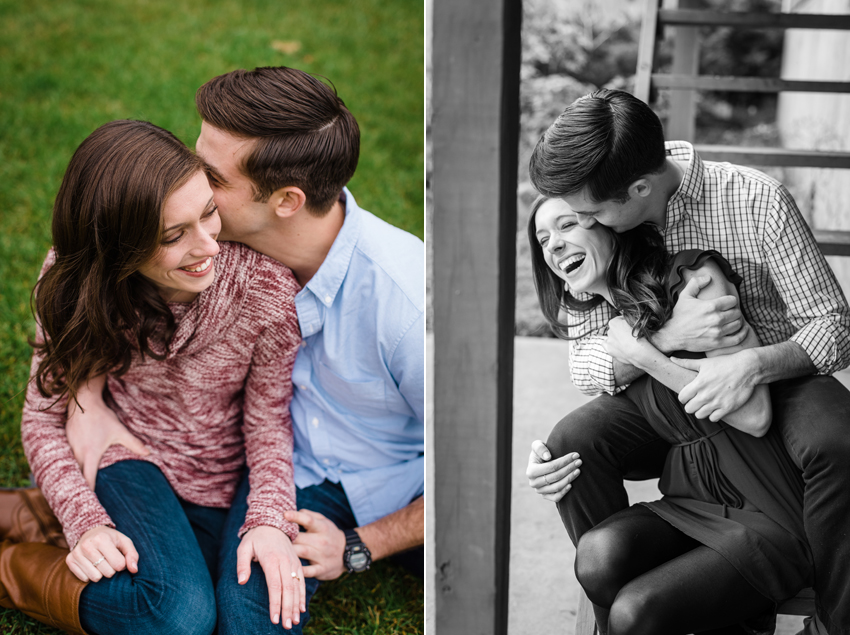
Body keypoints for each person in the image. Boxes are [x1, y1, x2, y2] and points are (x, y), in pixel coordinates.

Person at [62, 67, 425, 630]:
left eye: (211, 176)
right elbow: (103, 271)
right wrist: (86, 392)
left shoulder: (406, 308)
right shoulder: (214, 258)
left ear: (285, 201)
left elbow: (474, 471)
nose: (189, 182)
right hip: (272, 466)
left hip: (373, 482)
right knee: (199, 610)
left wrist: (362, 544)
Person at [525, 88, 850, 633]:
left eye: (588, 213)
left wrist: (753, 366)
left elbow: (834, 324)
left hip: (776, 372)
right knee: (571, 444)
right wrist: (666, 339)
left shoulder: (755, 200)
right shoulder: (603, 223)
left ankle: (835, 619)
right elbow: (586, 363)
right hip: (670, 394)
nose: (579, 221)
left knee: (836, 441)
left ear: (640, 190)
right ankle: (652, 592)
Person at [11, 119, 305, 635]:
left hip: (220, 474)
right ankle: (15, 568)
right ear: (118, 249)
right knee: (180, 616)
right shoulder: (76, 281)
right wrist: (85, 521)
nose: (209, 246)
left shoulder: (267, 294)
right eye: (175, 236)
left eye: (209, 212)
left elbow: (268, 420)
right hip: (127, 452)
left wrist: (268, 518)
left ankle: (33, 514)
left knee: (244, 619)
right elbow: (42, 416)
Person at [531, 195, 811, 633]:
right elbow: (602, 407)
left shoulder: (693, 279)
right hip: (694, 501)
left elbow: (755, 415)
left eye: (567, 226)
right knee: (596, 557)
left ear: (608, 225)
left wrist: (645, 356)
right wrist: (546, 458)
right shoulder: (615, 329)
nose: (554, 246)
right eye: (543, 239)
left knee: (633, 614)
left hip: (769, 510)